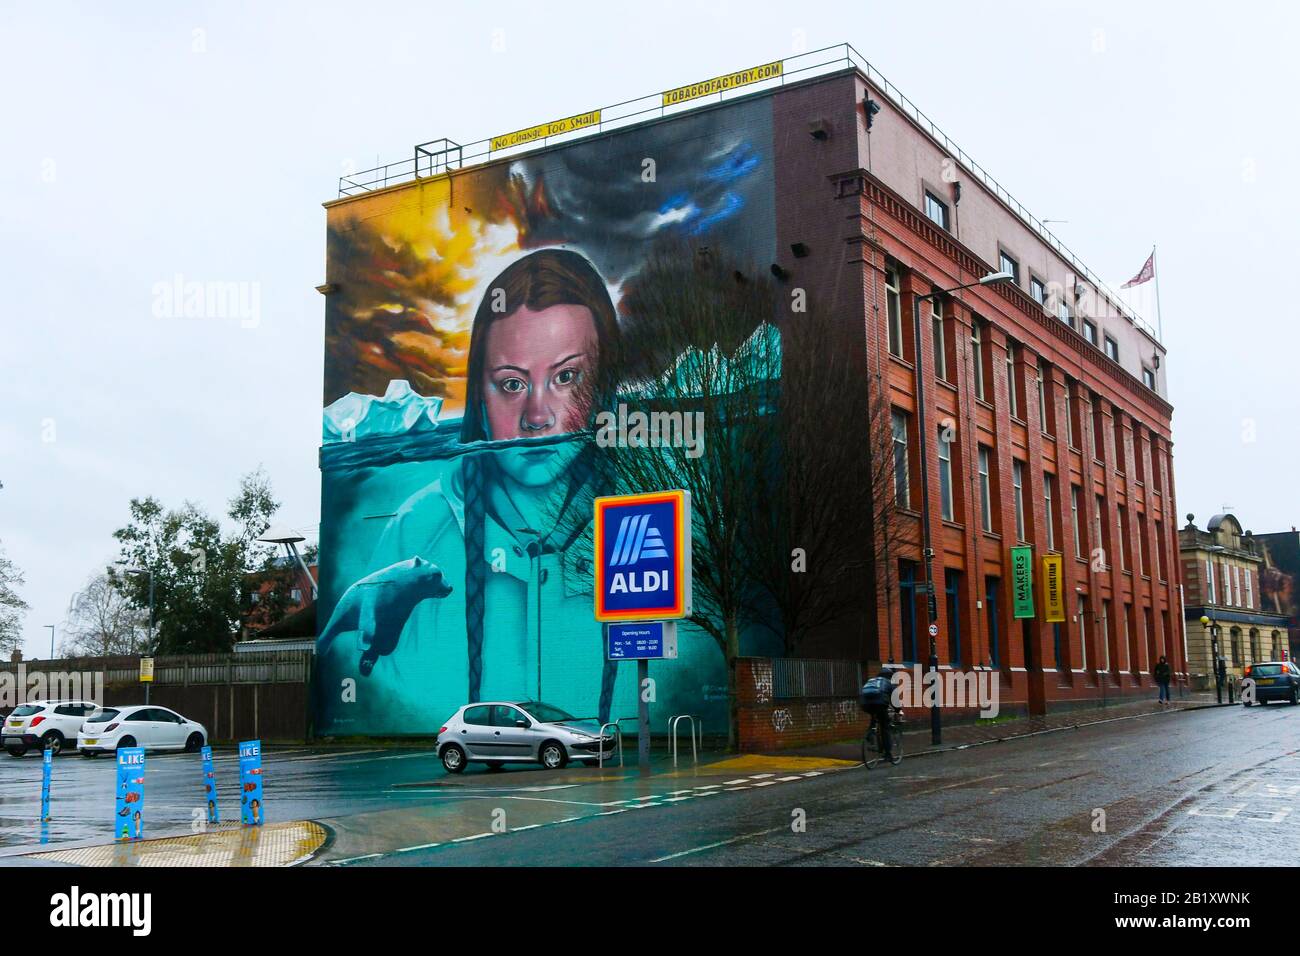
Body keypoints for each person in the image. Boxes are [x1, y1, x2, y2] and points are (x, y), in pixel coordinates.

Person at [318, 248, 629, 732]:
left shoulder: (657, 523)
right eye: (510, 384)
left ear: (605, 383)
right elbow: (358, 668)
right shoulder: (414, 531)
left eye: (566, 377)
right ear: (478, 397)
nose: (537, 415)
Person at [860, 665, 902, 759]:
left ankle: (870, 734)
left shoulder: (872, 680)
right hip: (880, 704)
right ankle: (888, 754)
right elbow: (895, 701)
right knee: (885, 727)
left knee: (874, 718)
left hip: (865, 703)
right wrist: (898, 710)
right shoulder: (888, 682)